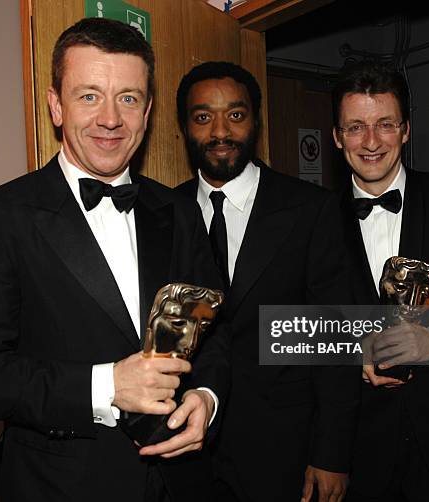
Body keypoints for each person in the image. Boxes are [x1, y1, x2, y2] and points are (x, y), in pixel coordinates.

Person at [0, 18, 229, 502]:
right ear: (56, 105)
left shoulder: (177, 210)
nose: (111, 119)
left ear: (148, 110)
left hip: (183, 481)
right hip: (61, 484)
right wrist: (106, 385)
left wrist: (207, 398)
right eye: (89, 95)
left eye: (128, 98)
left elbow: (214, 331)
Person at [175, 61, 360, 502]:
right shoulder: (163, 212)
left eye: (235, 115)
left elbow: (335, 338)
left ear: (255, 121)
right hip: (186, 449)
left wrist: (332, 453)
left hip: (284, 449)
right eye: (203, 117)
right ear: (184, 126)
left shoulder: (310, 210)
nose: (221, 131)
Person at [331, 61, 429, 502]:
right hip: (357, 457)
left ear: (406, 130)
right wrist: (349, 351)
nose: (371, 142)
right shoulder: (310, 221)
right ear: (337, 137)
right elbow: (285, 329)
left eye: (385, 125)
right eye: (355, 127)